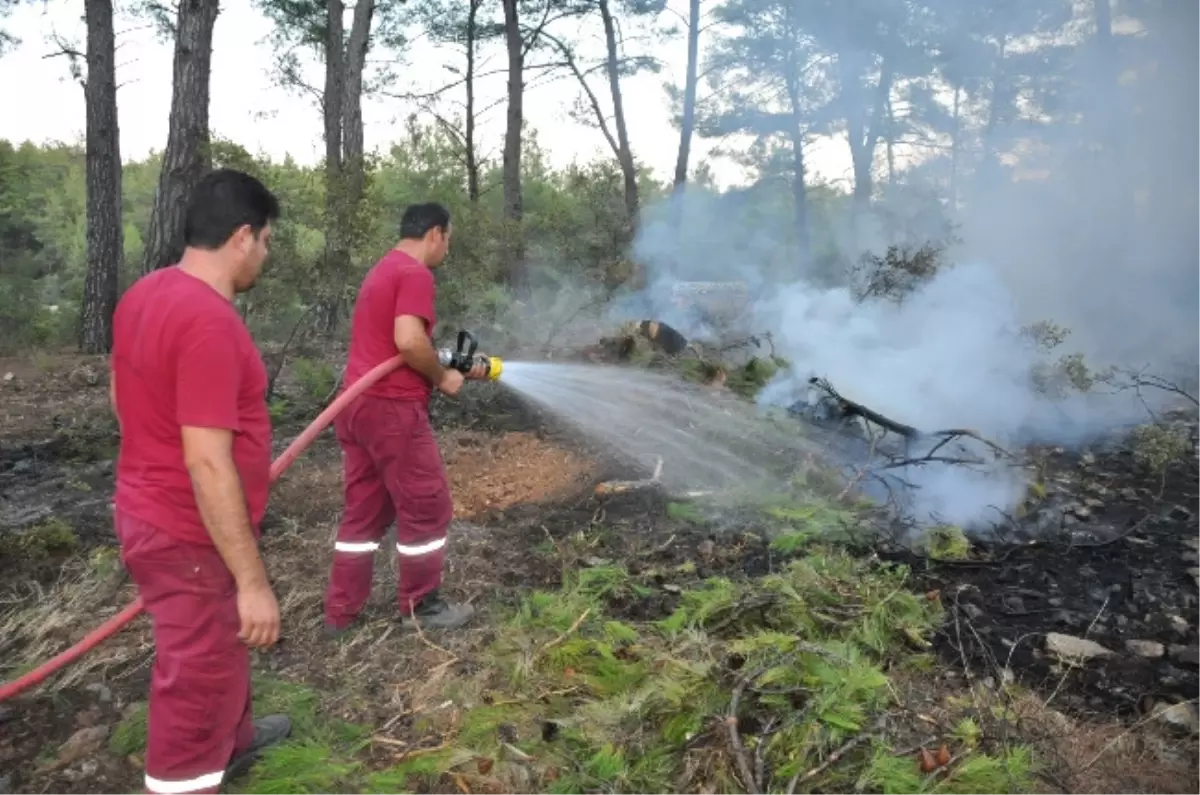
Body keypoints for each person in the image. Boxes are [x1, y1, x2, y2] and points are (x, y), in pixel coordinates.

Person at [109, 168, 291, 795]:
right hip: (188, 534)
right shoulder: (210, 322)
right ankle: (187, 775)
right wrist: (252, 581)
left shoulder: (145, 294)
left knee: (219, 644)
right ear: (243, 236)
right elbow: (207, 461)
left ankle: (232, 742)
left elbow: (121, 397)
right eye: (265, 241)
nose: (264, 255)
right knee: (197, 674)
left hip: (150, 511)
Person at [323, 202, 488, 636]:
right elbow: (409, 341)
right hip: (391, 409)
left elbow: (392, 345)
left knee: (364, 512)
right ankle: (423, 606)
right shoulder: (415, 273)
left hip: (357, 406)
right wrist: (441, 377)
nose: (446, 250)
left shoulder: (383, 270)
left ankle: (341, 612)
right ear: (435, 233)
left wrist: (445, 362)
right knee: (428, 505)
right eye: (447, 240)